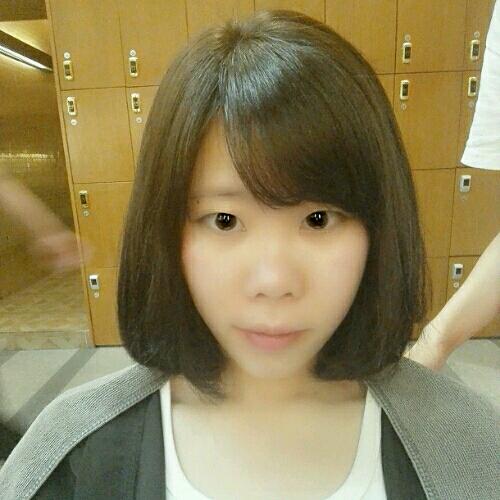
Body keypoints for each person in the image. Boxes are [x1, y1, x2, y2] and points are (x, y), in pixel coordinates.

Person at [0, 8, 498, 500]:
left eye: (318, 219)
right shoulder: (72, 457)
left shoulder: (469, 448)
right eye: (224, 220)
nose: (273, 281)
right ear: (164, 231)